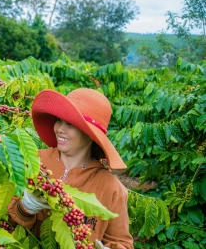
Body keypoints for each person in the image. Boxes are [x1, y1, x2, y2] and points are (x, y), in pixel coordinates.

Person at [8, 88, 134, 249]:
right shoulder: (34, 161)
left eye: (70, 124)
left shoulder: (111, 188)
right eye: (59, 120)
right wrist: (25, 207)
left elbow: (122, 242)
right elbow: (5, 225)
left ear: (90, 134)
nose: (60, 128)